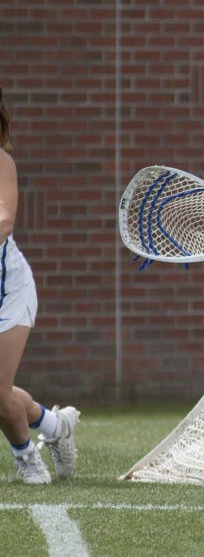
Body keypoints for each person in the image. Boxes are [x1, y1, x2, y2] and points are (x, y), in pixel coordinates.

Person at [0, 87, 79, 484]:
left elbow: (4, 221)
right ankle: (54, 425)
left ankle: (28, 459)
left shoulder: (2, 162)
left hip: (9, 293)